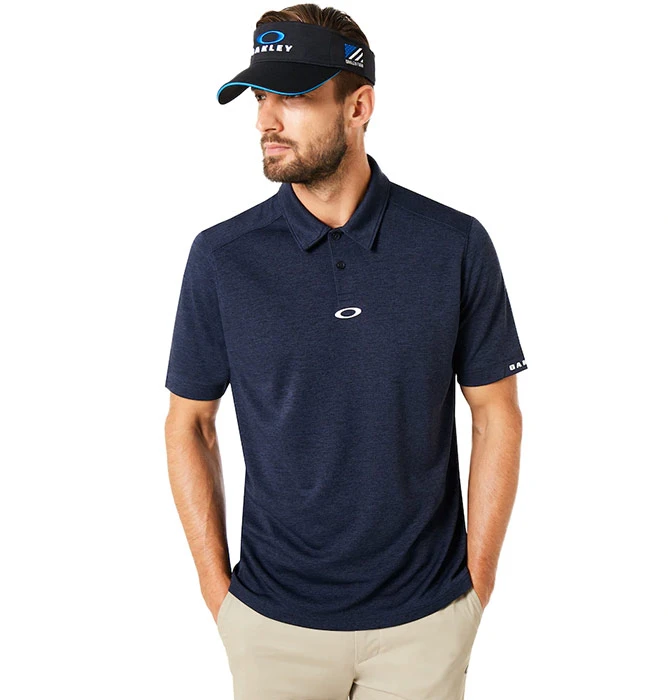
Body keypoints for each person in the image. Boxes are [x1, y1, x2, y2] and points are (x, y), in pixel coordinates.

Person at [164, 4, 528, 699]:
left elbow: (496, 413)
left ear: (358, 107)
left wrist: (476, 587)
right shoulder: (222, 258)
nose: (266, 120)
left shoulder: (453, 244)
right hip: (272, 625)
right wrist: (221, 598)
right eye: (259, 97)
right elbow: (189, 423)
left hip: (426, 622)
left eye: (293, 97)